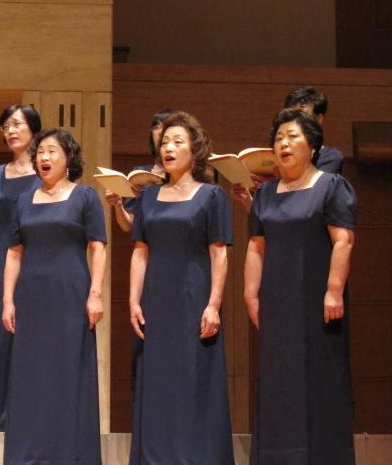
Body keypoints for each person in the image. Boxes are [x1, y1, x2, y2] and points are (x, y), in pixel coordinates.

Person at [244, 108, 357, 465]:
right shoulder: (264, 195)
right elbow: (255, 247)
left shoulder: (330, 186)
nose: (283, 143)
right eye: (278, 138)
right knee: (280, 383)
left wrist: (334, 290)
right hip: (276, 302)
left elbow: (344, 241)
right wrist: (251, 294)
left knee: (319, 381)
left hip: (317, 301)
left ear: (313, 145)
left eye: (293, 136)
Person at [129, 111, 234, 464]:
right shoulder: (146, 198)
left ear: (195, 150)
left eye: (178, 142)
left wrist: (214, 304)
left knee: (194, 377)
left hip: (194, 298)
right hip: (156, 299)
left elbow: (219, 253)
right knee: (158, 381)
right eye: (164, 143)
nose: (168, 148)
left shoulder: (212, 196)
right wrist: (133, 300)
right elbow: (140, 252)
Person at [2, 128, 106, 464]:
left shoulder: (85, 197)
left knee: (67, 371)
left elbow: (98, 248)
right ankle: (30, 453)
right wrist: (7, 300)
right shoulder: (22, 202)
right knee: (32, 375)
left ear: (69, 158)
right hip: (31, 297)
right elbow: (15, 253)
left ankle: (70, 453)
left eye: (52, 151)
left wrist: (95, 294)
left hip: (70, 294)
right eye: (40, 152)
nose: (44, 158)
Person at [0, 104, 42, 432]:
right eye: (5, 126)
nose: (10, 131)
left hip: (38, 259)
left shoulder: (48, 172)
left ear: (33, 129)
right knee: (2, 339)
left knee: (36, 338)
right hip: (3, 261)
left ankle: (33, 418)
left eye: (17, 124)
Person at [233, 87, 343, 212]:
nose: (295, 121)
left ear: (319, 119)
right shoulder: (282, 156)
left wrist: (278, 182)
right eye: (279, 138)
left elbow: (310, 205)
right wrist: (247, 199)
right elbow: (269, 219)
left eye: (302, 114)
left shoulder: (330, 157)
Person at [104, 109, 175, 232]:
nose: (159, 132)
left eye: (165, 127)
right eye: (156, 127)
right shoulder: (140, 174)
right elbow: (128, 225)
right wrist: (118, 204)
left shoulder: (187, 174)